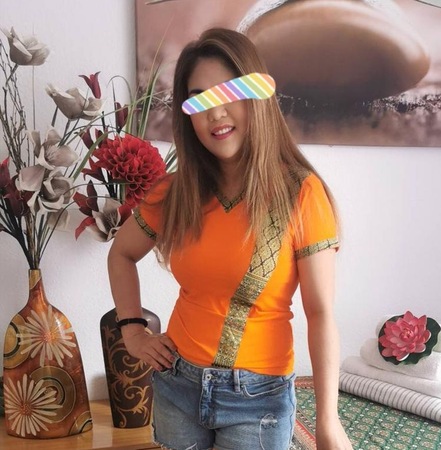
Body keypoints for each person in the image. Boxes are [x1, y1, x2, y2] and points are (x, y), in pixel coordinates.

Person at [108, 27, 353, 450]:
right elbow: (121, 254)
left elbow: (320, 314)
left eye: (230, 93)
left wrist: (328, 423)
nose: (216, 113)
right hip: (177, 386)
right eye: (200, 99)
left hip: (257, 400)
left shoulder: (300, 194)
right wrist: (133, 332)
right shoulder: (174, 192)